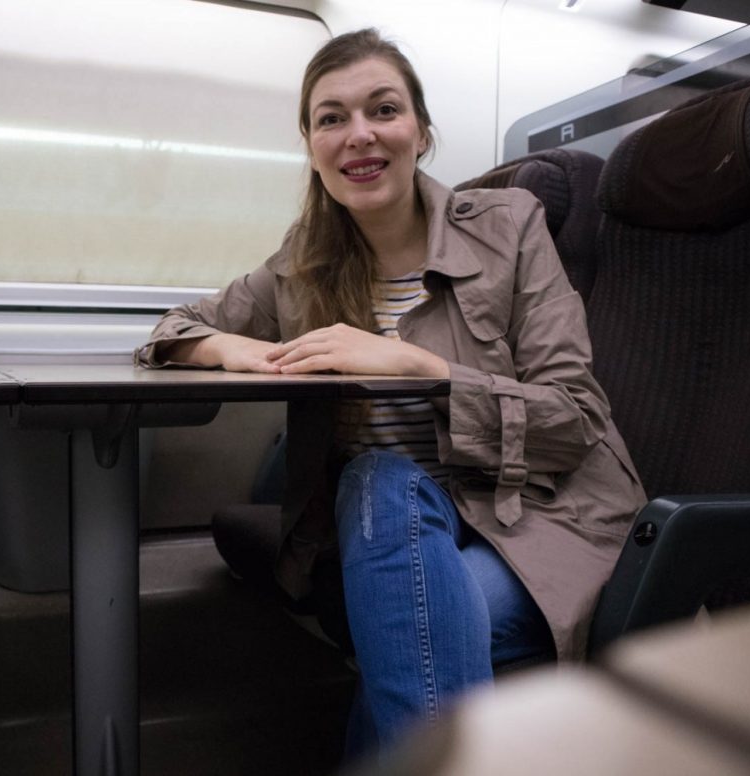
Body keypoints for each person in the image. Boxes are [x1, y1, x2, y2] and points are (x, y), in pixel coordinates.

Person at [135, 28, 646, 757]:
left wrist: (419, 367)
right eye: (332, 118)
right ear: (312, 145)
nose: (359, 135)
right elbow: (172, 327)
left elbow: (575, 419)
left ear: (422, 132)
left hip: (537, 521)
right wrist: (227, 347)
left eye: (383, 109)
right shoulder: (299, 268)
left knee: (406, 619)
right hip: (390, 528)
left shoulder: (510, 229)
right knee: (383, 489)